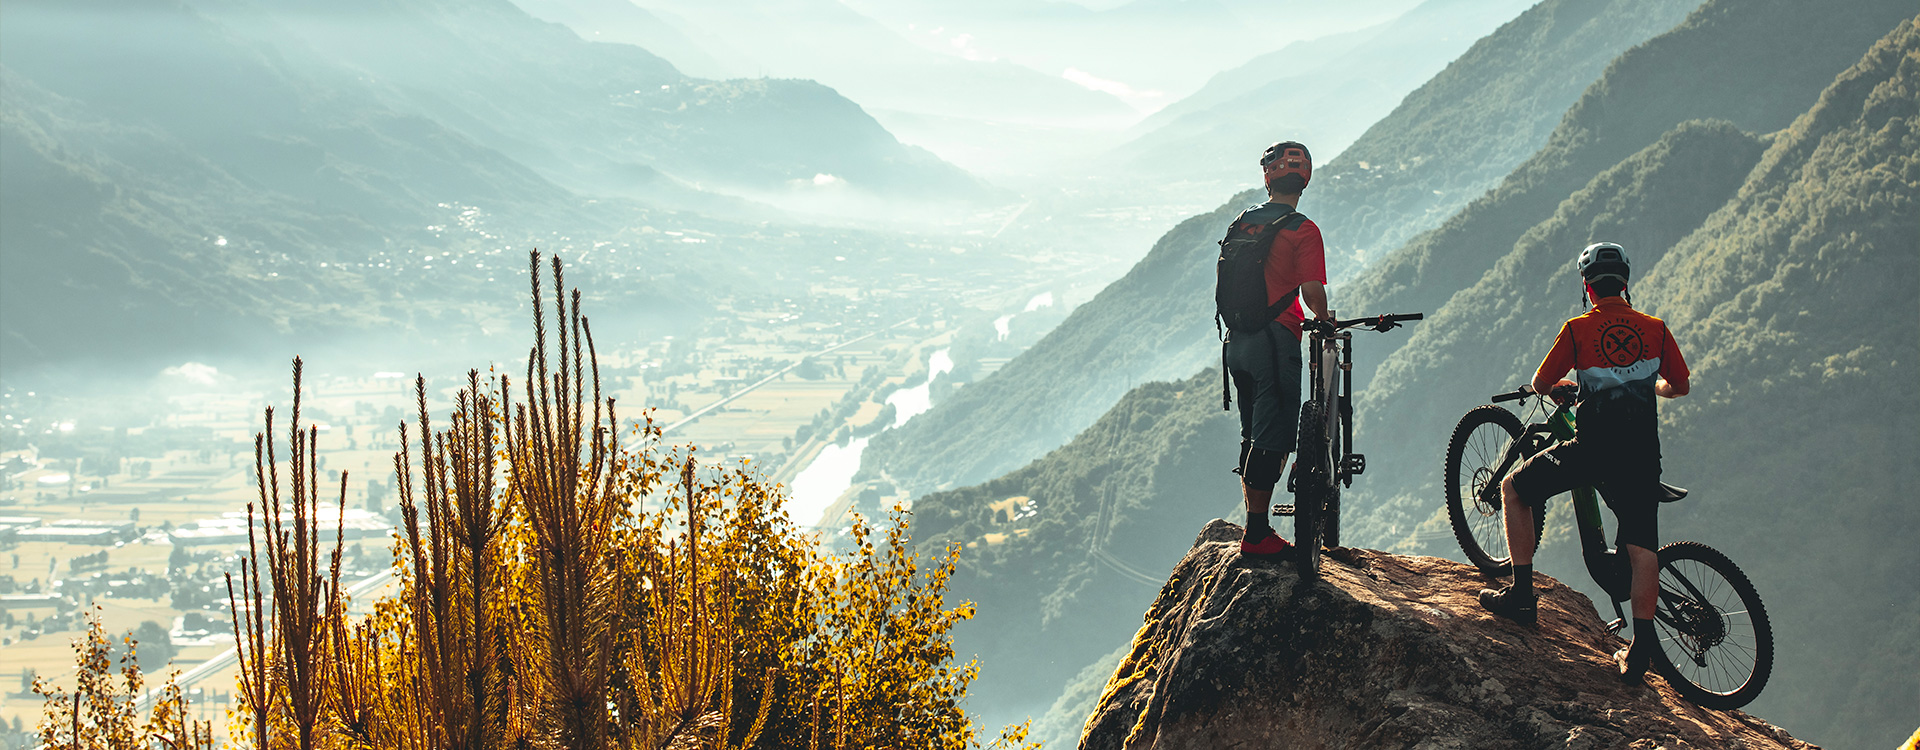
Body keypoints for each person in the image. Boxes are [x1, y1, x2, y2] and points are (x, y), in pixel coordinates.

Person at [1476, 242, 1690, 681]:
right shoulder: (1655, 328)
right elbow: (1679, 386)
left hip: (1594, 450)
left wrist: (1559, 387)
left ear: (1588, 288)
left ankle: (1521, 595)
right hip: (1643, 454)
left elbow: (1541, 381)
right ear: (1625, 284)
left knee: (1514, 489)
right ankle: (1641, 648)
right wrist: (1648, 386)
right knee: (1641, 547)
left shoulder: (1578, 329)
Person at [1223, 141, 1332, 557]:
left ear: (1267, 179)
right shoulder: (1301, 229)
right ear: (1304, 179)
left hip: (1237, 343)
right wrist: (1322, 318)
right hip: (1276, 343)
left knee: (1253, 434)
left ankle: (1256, 525)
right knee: (1274, 436)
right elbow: (1310, 290)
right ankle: (1256, 535)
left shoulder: (1243, 222)